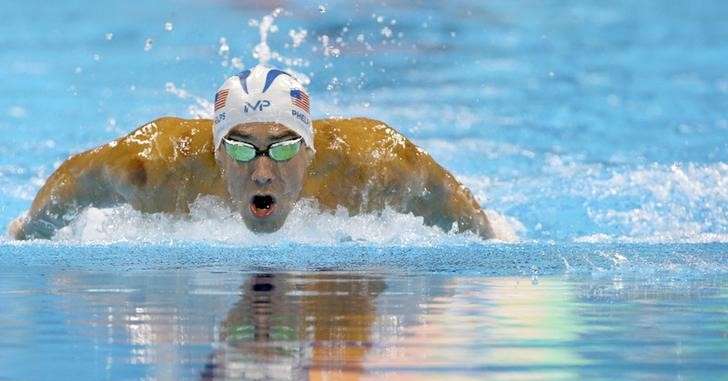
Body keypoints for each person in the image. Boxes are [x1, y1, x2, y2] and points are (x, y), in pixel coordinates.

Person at [8, 65, 495, 240]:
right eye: (241, 150)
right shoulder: (153, 166)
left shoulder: (374, 163)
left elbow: (447, 200)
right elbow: (73, 181)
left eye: (282, 149)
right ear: (216, 151)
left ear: (309, 147)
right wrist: (29, 232)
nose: (262, 173)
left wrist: (494, 240)